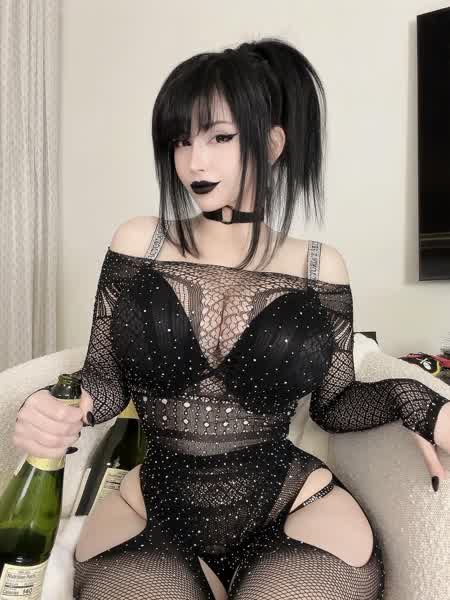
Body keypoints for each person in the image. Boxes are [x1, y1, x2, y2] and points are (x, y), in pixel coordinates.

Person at [14, 38, 450, 600]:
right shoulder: (139, 242)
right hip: (153, 507)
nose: (195, 161)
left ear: (272, 143)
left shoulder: (320, 266)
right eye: (181, 140)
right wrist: (56, 405)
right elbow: (105, 379)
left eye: (219, 137)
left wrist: (418, 402)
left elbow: (335, 403)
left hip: (293, 505)